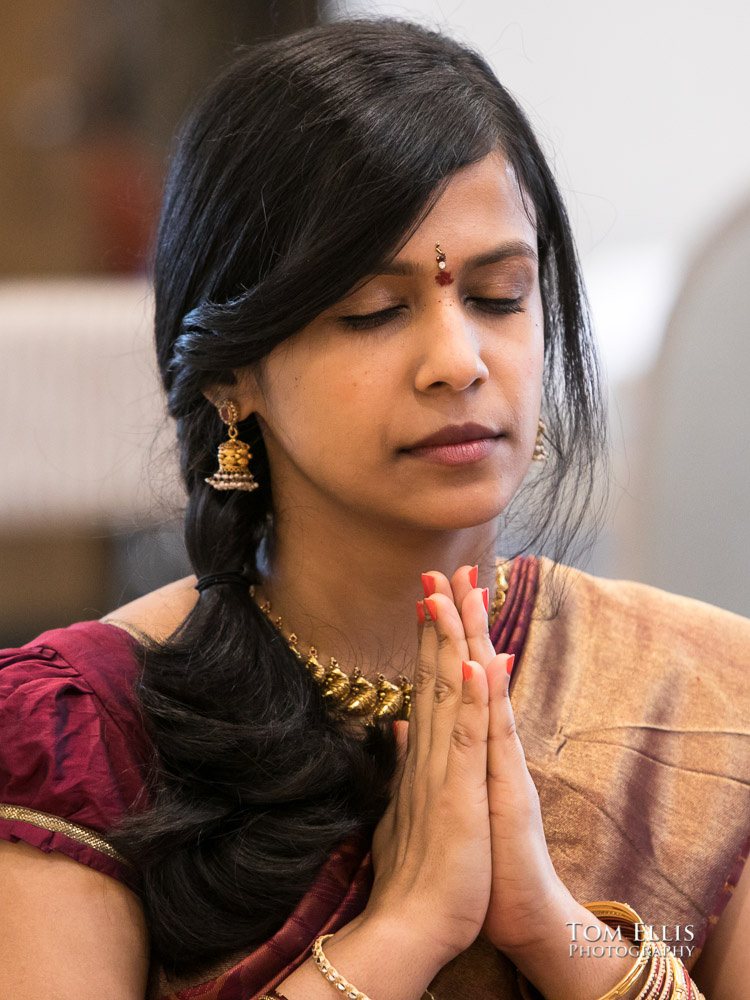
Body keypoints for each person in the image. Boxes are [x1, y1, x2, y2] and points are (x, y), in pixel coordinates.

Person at [1, 17, 748, 1000]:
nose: (458, 362)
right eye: (373, 311)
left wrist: (551, 925)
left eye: (500, 295)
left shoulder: (710, 700)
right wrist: (407, 927)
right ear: (234, 374)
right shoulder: (79, 733)